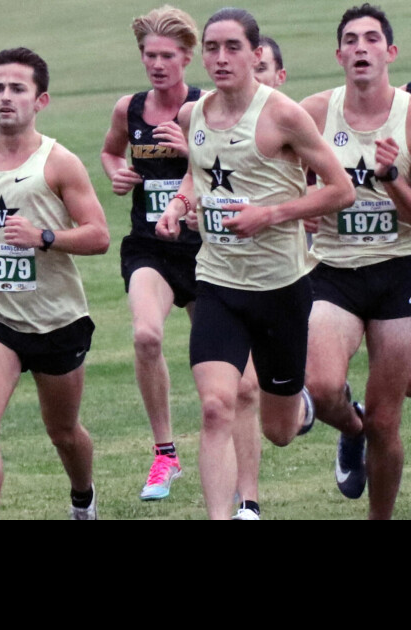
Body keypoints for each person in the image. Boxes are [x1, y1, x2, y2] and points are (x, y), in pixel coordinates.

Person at [156, 8, 355, 520]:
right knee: (216, 406)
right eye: (212, 48)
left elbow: (341, 190)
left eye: (232, 48)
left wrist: (272, 214)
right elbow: (199, 177)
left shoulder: (284, 115)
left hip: (282, 288)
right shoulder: (191, 115)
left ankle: (306, 405)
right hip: (218, 283)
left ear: (254, 54)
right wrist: (180, 206)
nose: (220, 59)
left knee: (279, 431)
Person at [0, 48, 109, 519]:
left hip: (56, 319)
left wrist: (43, 237)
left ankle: (82, 497)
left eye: (18, 89)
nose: (5, 97)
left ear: (41, 100)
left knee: (63, 432)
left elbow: (99, 236)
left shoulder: (60, 162)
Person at [299, 4, 411, 520]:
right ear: (339, 54)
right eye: (351, 40)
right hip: (333, 271)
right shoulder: (316, 112)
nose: (361, 47)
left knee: (389, 423)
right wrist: (301, 208)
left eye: (372, 39)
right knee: (322, 390)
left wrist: (391, 179)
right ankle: (350, 426)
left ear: (390, 52)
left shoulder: (409, 116)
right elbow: (281, 178)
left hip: (398, 270)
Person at [100, 5, 203, 501]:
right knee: (145, 336)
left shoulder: (207, 106)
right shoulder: (130, 107)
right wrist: (116, 172)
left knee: (221, 364)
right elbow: (109, 150)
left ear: (187, 57)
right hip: (149, 247)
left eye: (166, 55)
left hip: (207, 249)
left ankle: (222, 451)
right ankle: (165, 454)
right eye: (148, 55)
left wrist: (192, 151)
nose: (156, 64)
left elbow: (236, 165)